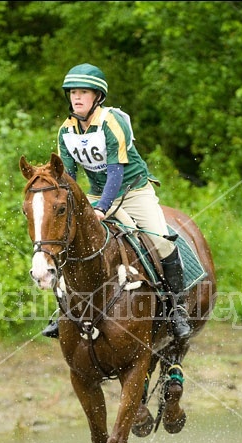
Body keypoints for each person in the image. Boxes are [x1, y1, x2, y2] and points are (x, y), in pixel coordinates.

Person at [42, 63, 191, 340]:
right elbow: (69, 178)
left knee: (161, 241)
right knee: (67, 239)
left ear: (97, 96)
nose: (77, 97)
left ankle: (176, 309)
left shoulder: (112, 122)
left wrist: (99, 209)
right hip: (98, 194)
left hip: (133, 191)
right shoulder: (66, 131)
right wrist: (78, 207)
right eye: (73, 92)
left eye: (84, 92)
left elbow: (115, 172)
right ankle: (62, 308)